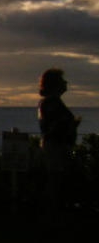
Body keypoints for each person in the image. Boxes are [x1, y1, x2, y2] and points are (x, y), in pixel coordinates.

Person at [37, 68, 80, 213]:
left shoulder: (51, 102)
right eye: (62, 80)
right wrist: (70, 124)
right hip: (56, 146)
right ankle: (53, 211)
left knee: (57, 178)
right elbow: (55, 126)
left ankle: (54, 210)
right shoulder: (51, 102)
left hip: (57, 145)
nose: (65, 83)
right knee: (55, 179)